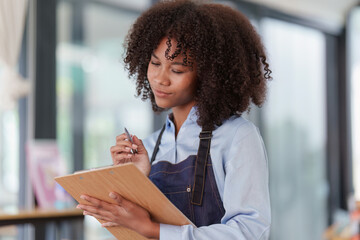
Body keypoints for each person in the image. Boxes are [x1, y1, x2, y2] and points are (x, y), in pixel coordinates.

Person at [76, 0, 272, 239]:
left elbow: (250, 231)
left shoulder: (238, 136)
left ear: (209, 75)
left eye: (177, 70)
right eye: (155, 63)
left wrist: (152, 229)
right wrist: (132, 184)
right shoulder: (147, 149)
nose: (160, 79)